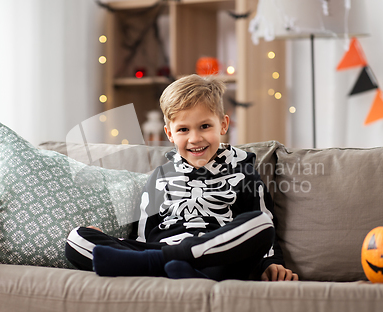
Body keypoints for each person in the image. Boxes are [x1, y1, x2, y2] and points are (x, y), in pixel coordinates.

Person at [65, 74, 298, 281]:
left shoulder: (244, 170)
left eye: (205, 126)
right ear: (170, 134)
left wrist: (272, 263)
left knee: (260, 225)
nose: (195, 138)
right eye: (183, 130)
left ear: (223, 125)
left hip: (217, 258)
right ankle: (170, 266)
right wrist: (113, 241)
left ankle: (156, 266)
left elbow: (264, 222)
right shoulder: (159, 176)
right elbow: (144, 233)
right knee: (77, 238)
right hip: (161, 248)